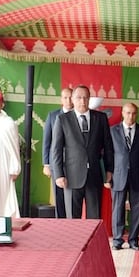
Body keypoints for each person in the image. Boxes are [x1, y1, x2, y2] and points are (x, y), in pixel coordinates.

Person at [50, 85, 114, 219]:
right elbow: (56, 149)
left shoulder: (101, 118)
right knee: (73, 219)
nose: (82, 101)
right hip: (71, 177)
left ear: (89, 99)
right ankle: (73, 241)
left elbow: (108, 146)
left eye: (85, 98)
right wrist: (58, 174)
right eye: (79, 98)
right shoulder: (62, 119)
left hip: (94, 176)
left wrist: (109, 170)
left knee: (94, 218)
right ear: (73, 99)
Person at [107, 102, 139, 250]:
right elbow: (107, 156)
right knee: (117, 209)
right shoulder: (112, 131)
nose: (130, 116)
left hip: (138, 177)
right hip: (118, 177)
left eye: (133, 113)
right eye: (127, 113)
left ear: (137, 114)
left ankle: (133, 240)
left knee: (136, 210)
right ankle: (117, 240)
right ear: (122, 113)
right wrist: (107, 177)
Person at [42, 87, 73, 217]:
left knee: (71, 197)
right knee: (59, 195)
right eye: (65, 97)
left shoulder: (78, 116)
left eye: (70, 97)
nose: (68, 100)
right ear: (61, 99)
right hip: (56, 162)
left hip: (73, 163)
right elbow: (47, 140)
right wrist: (46, 164)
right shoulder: (53, 115)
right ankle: (60, 222)